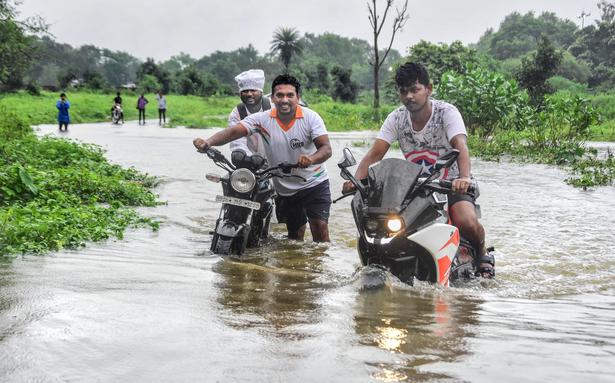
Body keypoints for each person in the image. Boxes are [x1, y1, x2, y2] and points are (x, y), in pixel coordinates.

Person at [342, 62, 495, 278]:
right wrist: (356, 180)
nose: (409, 97)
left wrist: (463, 178)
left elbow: (461, 146)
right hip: (416, 185)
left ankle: (481, 254)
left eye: (415, 90)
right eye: (404, 91)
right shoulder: (397, 117)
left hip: (450, 182)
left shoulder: (447, 113)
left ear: (428, 89)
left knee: (465, 220)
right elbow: (376, 152)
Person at [193, 74, 333, 242]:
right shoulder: (262, 119)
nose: (284, 100)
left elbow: (326, 149)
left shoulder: (311, 117)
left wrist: (311, 159)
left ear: (298, 97)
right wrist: (208, 142)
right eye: (280, 95)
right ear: (272, 98)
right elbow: (233, 132)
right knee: (295, 239)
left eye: (290, 95)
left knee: (320, 232)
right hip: (285, 188)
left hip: (314, 183)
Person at [227, 69, 272, 156]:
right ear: (240, 93)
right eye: (245, 91)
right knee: (237, 156)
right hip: (250, 159)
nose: (249, 94)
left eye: (253, 90)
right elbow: (237, 142)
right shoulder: (237, 113)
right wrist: (248, 157)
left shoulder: (273, 107)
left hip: (275, 159)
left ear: (261, 92)